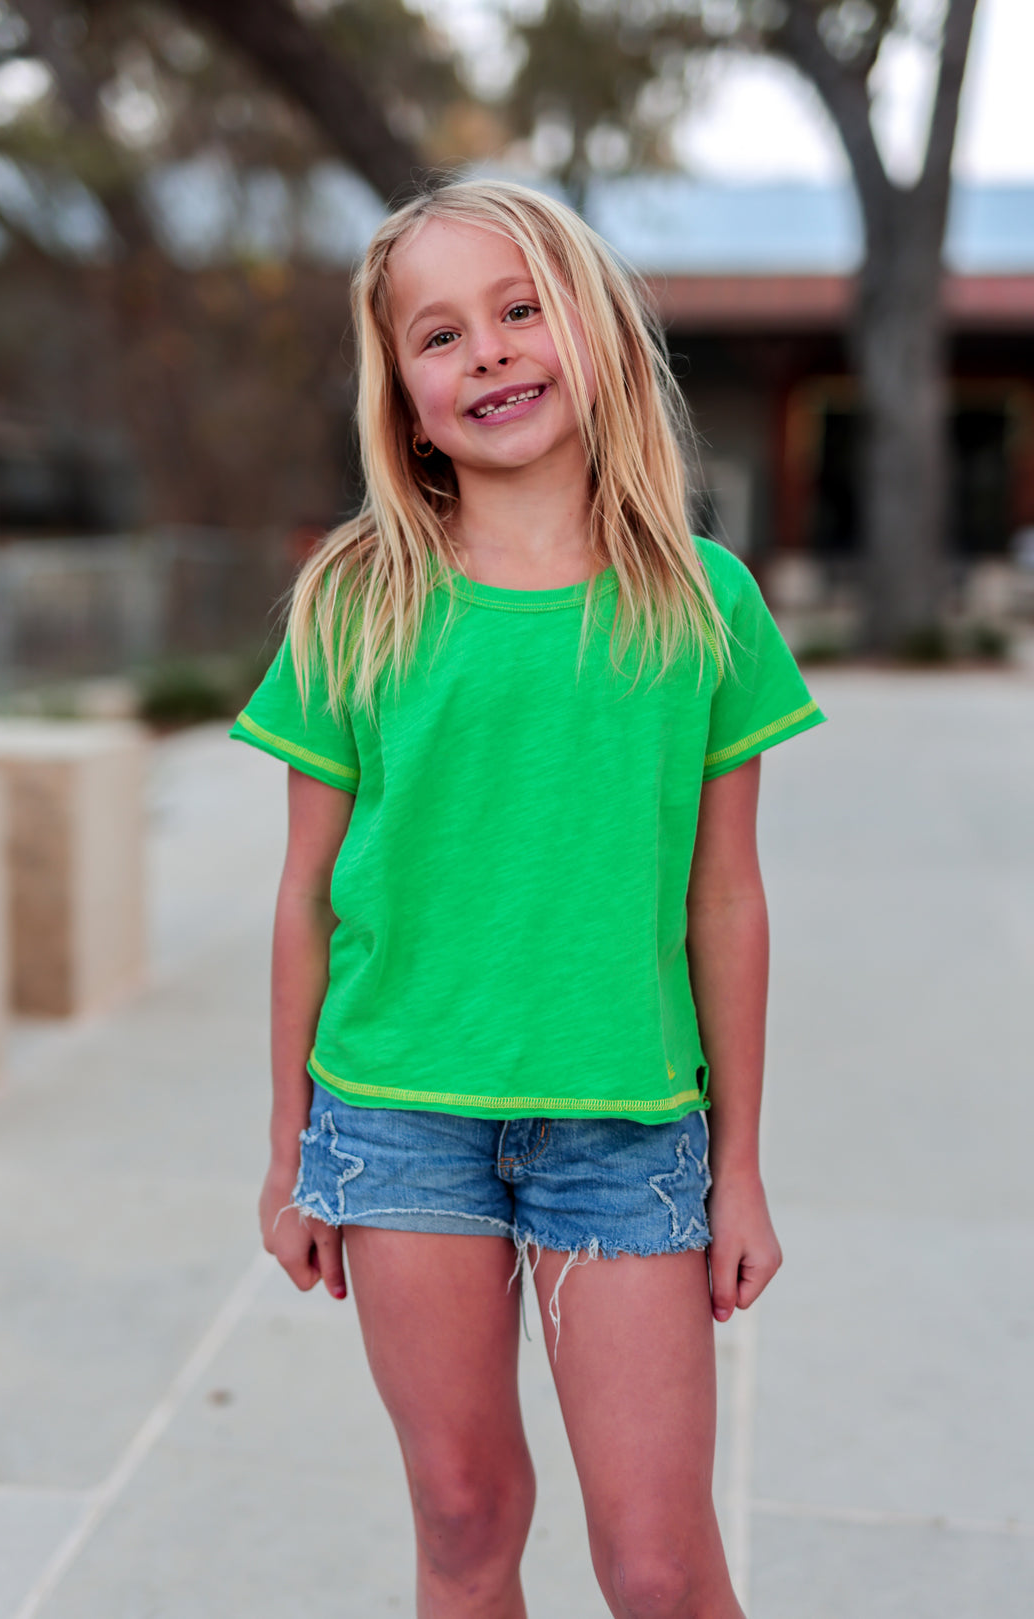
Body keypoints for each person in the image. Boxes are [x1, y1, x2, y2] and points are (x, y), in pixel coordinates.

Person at [230, 179, 826, 1619]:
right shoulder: (354, 602)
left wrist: (739, 1166)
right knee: (464, 1515)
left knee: (658, 1566)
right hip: (395, 1121)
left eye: (519, 310)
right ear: (405, 397)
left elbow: (726, 899)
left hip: (627, 1130)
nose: (488, 351)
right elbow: (306, 893)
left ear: (595, 332)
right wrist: (291, 1151)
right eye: (440, 335)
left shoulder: (703, 600)